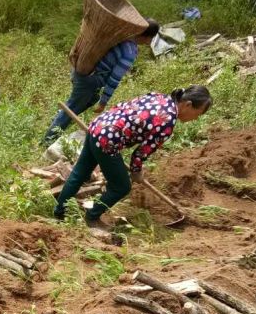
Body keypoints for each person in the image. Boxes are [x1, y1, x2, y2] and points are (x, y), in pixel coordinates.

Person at [54, 85, 212, 228]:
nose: (195, 119)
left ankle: (59, 212)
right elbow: (140, 153)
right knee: (121, 187)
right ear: (188, 104)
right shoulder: (167, 122)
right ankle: (92, 216)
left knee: (80, 172)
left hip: (98, 126)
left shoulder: (160, 97)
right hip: (108, 140)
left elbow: (125, 107)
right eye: (197, 114)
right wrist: (136, 172)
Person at [43, 20, 161, 145]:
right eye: (152, 38)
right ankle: (47, 141)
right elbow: (114, 78)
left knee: (90, 99)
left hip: (84, 71)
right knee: (72, 109)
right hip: (89, 79)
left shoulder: (124, 37)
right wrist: (103, 102)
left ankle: (56, 122)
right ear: (147, 37)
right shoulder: (129, 52)